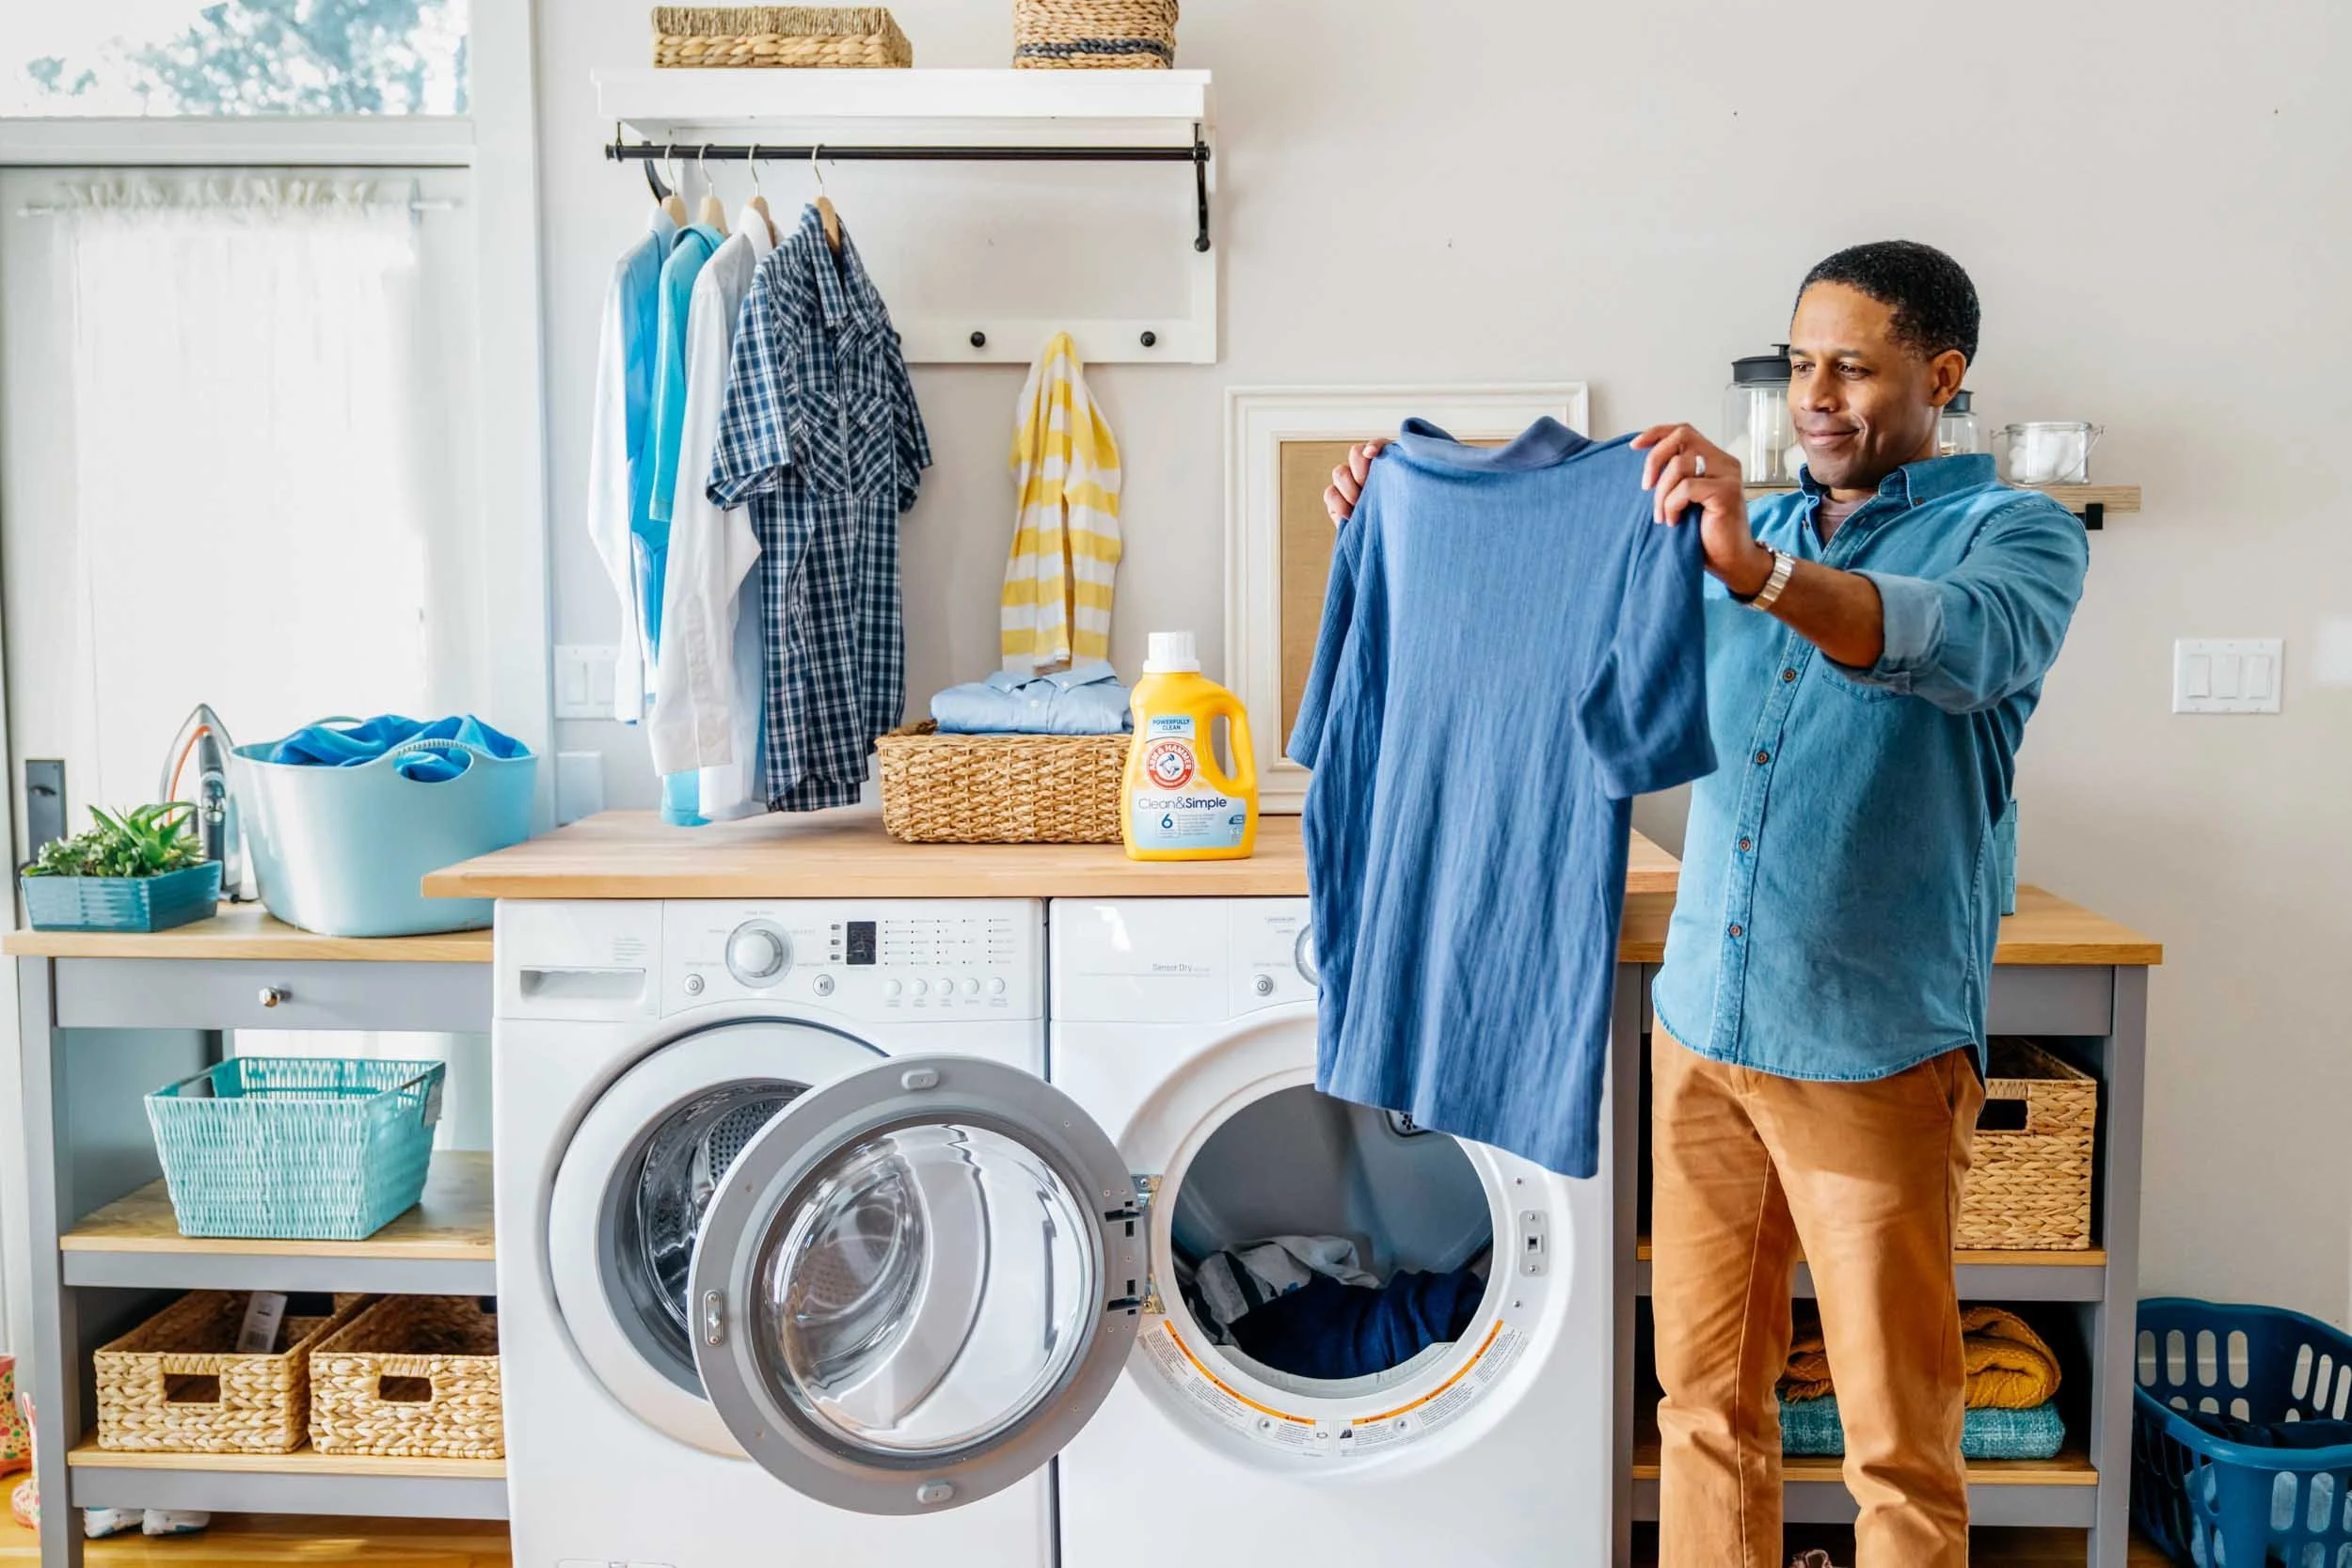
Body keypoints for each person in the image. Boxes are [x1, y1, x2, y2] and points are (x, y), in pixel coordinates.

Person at [1322, 241, 2089, 1568]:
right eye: (1800, 365)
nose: (1817, 396)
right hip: (1700, 1039)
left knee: (1895, 1447)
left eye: (1853, 365)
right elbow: (1553, 605)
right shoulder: (1750, 528)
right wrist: (1400, 522)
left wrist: (1759, 573)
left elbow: (1947, 641)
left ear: (1942, 375)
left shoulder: (2010, 535)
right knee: (1702, 1406)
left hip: (1871, 1047)